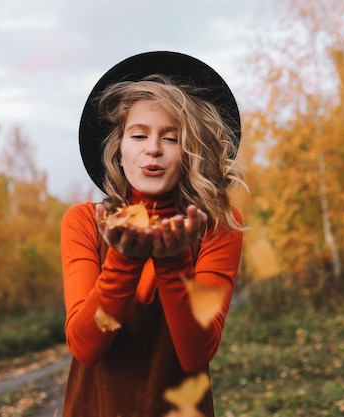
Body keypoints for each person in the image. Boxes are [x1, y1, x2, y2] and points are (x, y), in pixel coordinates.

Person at [60, 51, 246, 417]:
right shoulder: (84, 222)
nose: (153, 149)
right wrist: (124, 262)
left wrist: (173, 263)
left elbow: (194, 353)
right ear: (119, 149)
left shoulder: (218, 226)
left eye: (172, 138)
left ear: (191, 151)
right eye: (139, 134)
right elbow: (86, 346)